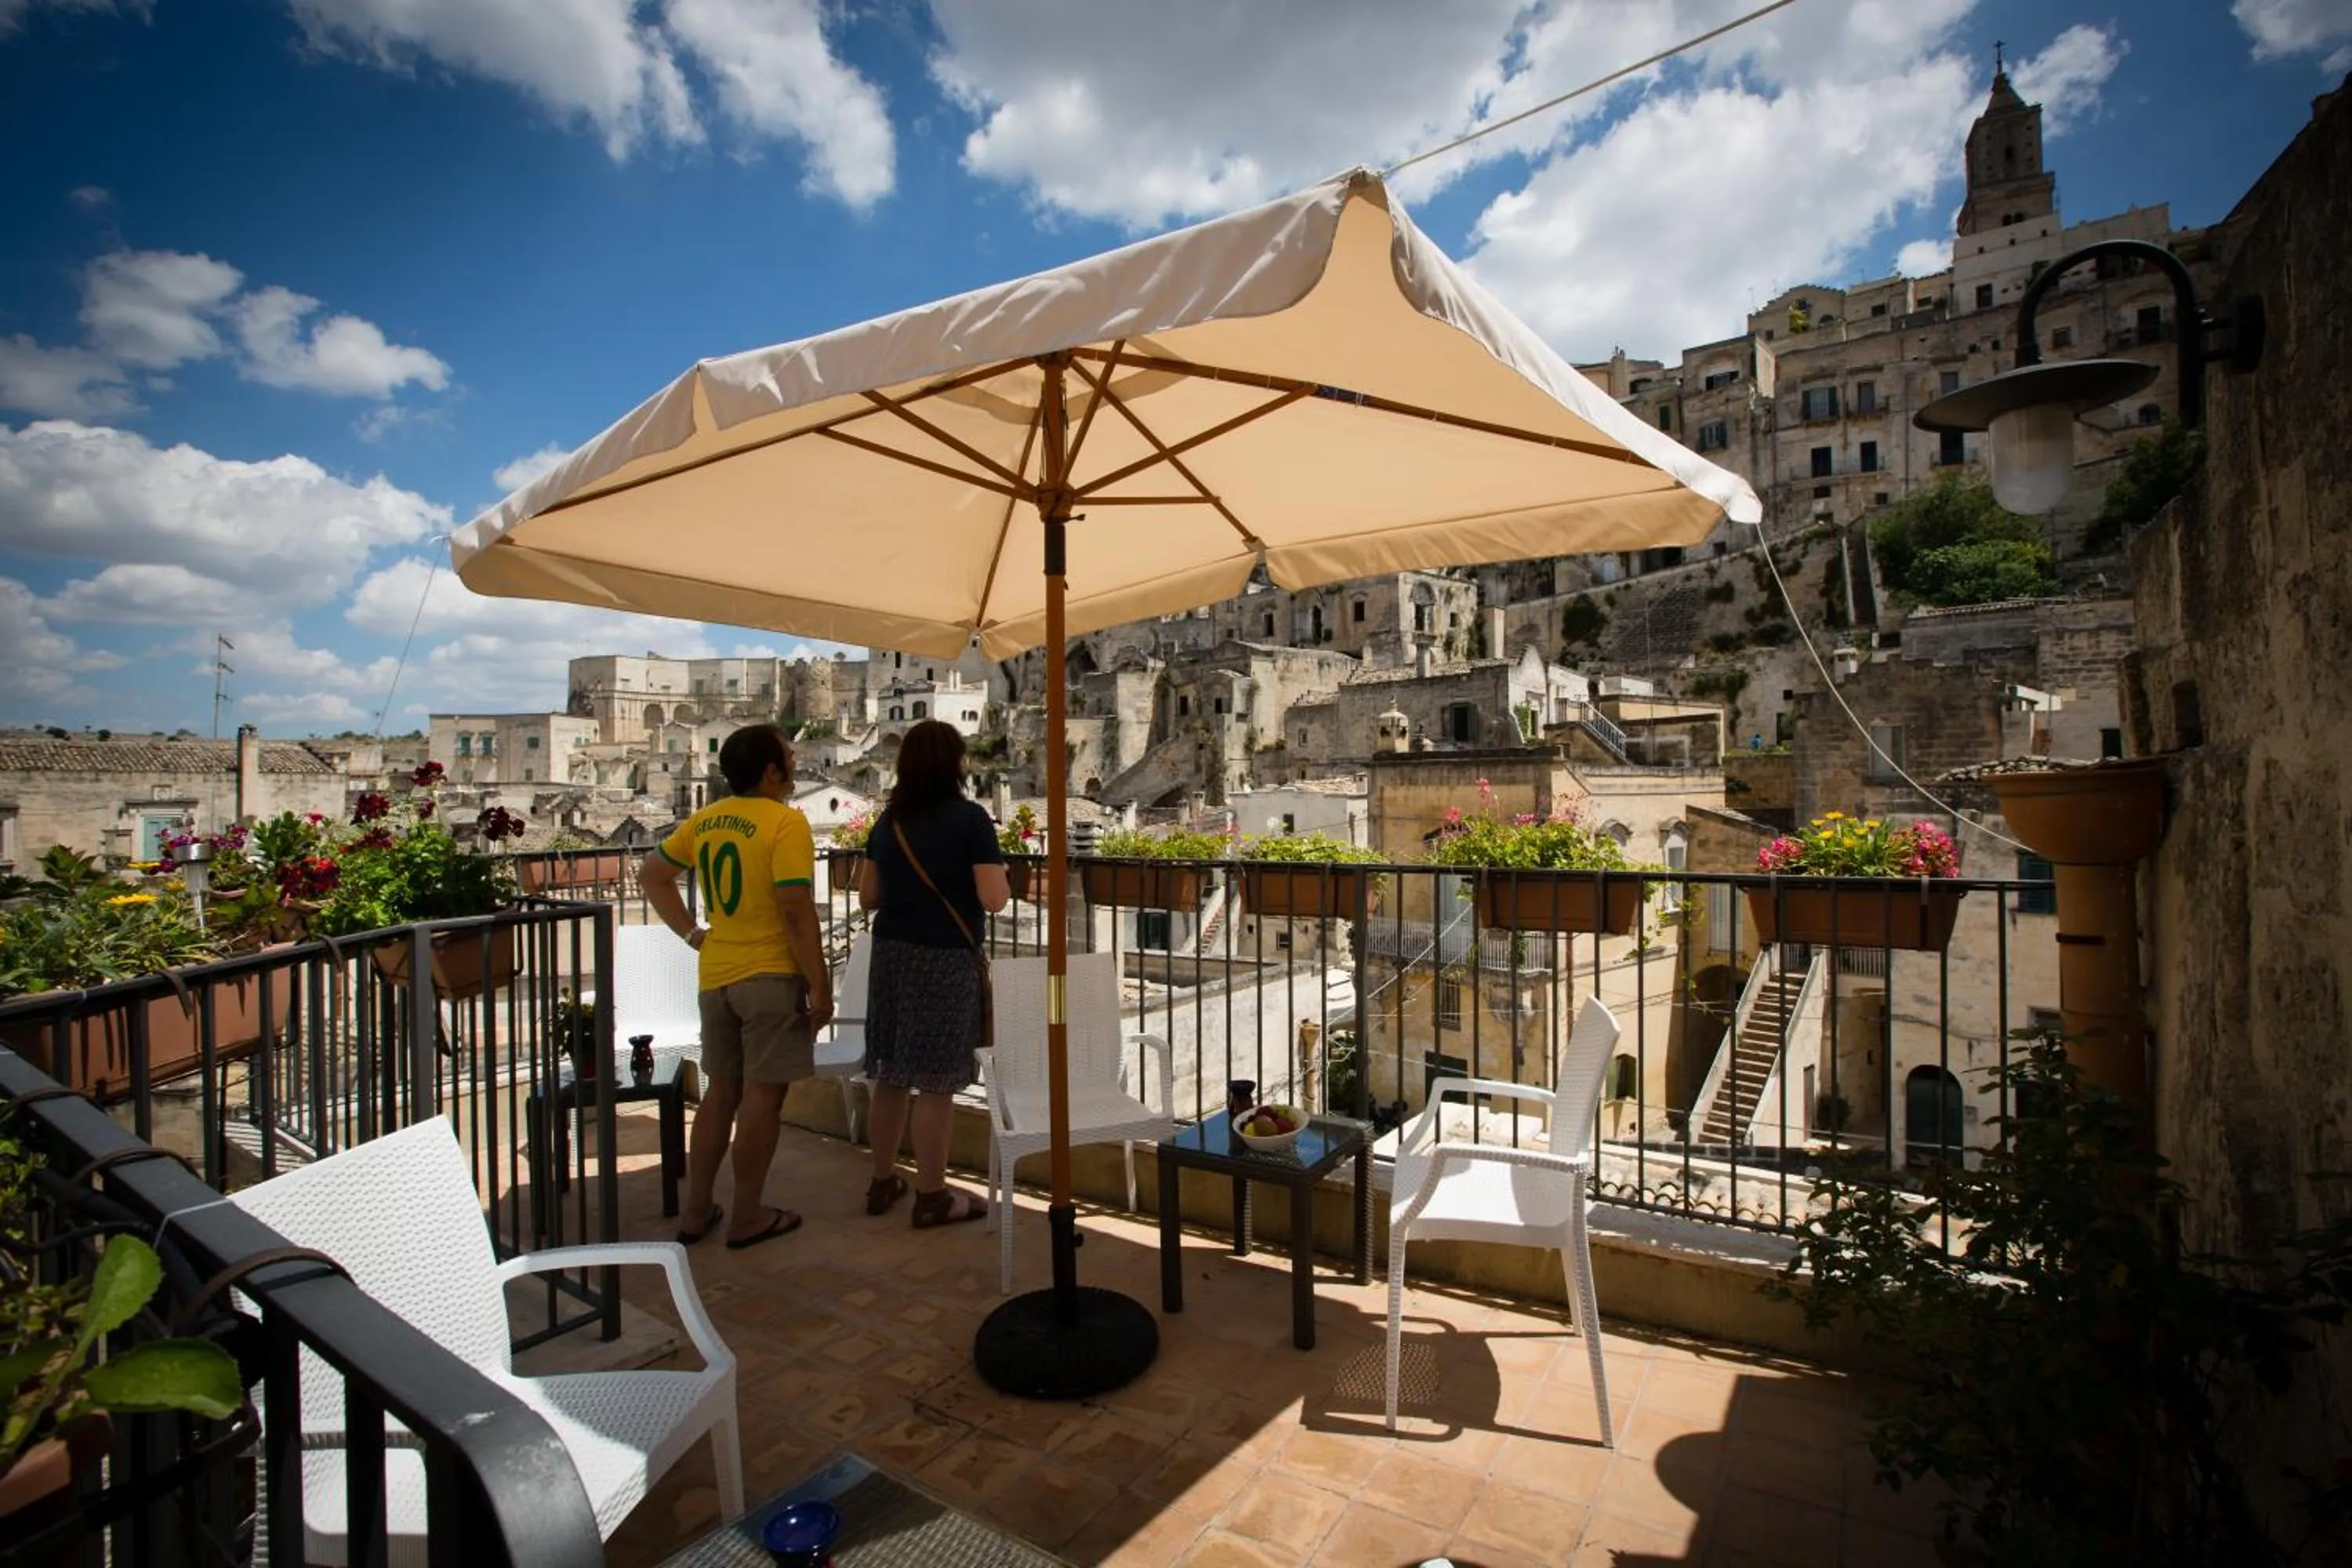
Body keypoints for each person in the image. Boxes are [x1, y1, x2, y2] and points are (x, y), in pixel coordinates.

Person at [640, 724, 833, 1250]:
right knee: (762, 1101)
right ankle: (747, 1215)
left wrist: (691, 933)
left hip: (717, 975)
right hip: (769, 977)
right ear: (772, 772)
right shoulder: (785, 824)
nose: (795, 764)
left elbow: (651, 875)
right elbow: (796, 911)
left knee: (720, 1095)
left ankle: (696, 1212)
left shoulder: (704, 821)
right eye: (790, 757)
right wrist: (819, 983)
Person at [856, 720, 1008, 1226]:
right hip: (943, 958)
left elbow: (868, 897)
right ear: (955, 764)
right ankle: (932, 1195)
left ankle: (881, 1181)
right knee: (937, 1083)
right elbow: (993, 898)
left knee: (892, 1073)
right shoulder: (970, 821)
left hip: (891, 954)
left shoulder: (888, 822)